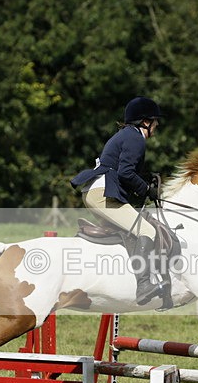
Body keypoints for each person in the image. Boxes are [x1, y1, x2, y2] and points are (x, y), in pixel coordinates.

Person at [70, 96, 166, 305]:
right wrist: (145, 189)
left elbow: (123, 170)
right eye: (155, 121)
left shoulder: (125, 135)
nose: (157, 125)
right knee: (147, 231)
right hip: (102, 194)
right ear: (145, 122)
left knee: (128, 232)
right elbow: (125, 173)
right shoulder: (136, 138)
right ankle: (144, 285)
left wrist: (144, 180)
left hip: (95, 191)